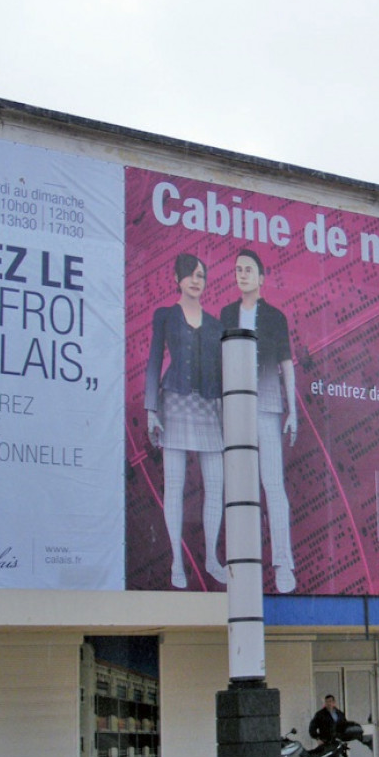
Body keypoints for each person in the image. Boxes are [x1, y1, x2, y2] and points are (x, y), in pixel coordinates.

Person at [219, 249, 299, 593]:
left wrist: (291, 409)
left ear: (262, 277)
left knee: (272, 486)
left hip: (266, 406)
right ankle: (240, 563)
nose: (242, 274)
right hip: (234, 410)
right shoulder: (225, 314)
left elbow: (286, 364)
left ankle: (283, 563)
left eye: (248, 269)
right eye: (238, 269)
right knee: (237, 490)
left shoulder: (275, 317)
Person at [145, 252, 226, 590]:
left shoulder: (217, 324)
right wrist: (151, 409)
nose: (196, 280)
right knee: (174, 487)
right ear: (177, 278)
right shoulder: (164, 316)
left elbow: (220, 371)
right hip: (174, 401)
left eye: (201, 275)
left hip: (208, 405)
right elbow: (152, 362)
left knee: (216, 485)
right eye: (191, 274)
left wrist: (225, 410)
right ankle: (177, 562)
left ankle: (210, 558)